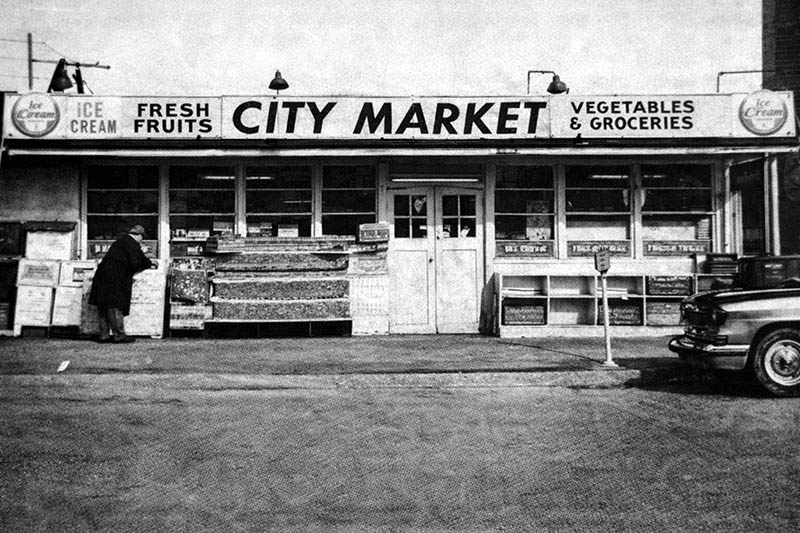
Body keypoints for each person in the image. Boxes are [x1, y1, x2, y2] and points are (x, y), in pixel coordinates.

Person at [88, 225, 156, 343]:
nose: (142, 241)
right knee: (115, 305)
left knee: (103, 305)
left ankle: (104, 335)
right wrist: (150, 263)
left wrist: (146, 261)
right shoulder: (132, 244)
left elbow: (136, 257)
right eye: (142, 238)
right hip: (115, 277)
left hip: (102, 274)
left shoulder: (120, 242)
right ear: (139, 235)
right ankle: (119, 335)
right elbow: (136, 262)